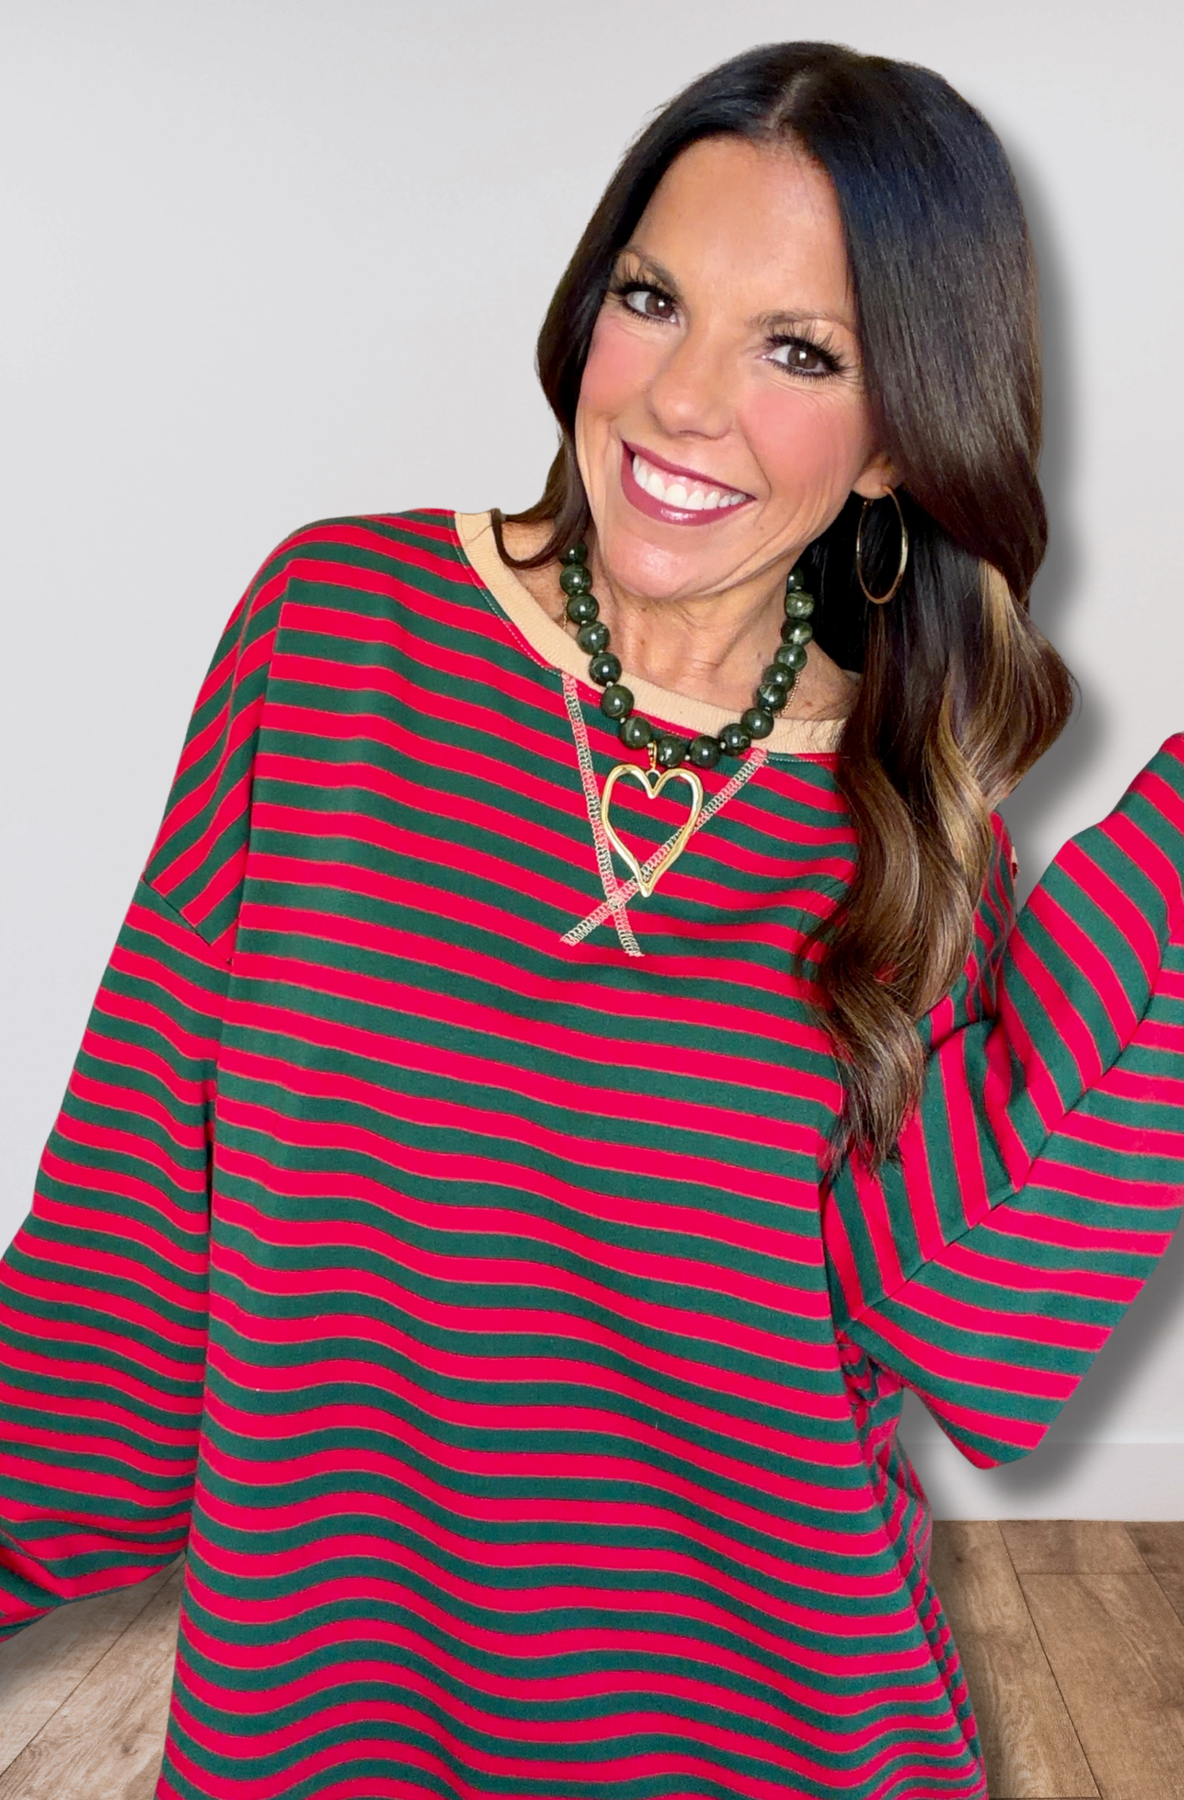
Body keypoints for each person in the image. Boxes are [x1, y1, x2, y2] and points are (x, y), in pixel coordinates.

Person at [0, 38, 1181, 1800]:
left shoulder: (912, 825)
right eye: (653, 298)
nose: (683, 399)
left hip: (765, 1726)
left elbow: (977, 1325)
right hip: (323, 1714)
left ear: (893, 447)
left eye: (800, 351)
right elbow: (130, 1215)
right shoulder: (335, 638)